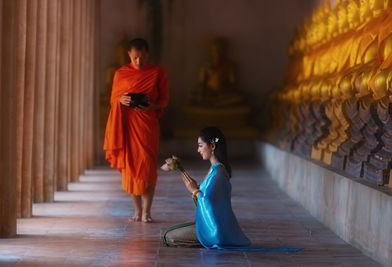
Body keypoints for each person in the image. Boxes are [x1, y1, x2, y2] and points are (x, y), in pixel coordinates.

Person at [163, 127, 303, 252]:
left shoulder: (218, 172)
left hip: (216, 231)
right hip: (213, 225)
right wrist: (194, 188)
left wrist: (195, 191)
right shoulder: (216, 170)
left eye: (200, 145)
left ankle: (208, 241)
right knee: (174, 233)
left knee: (169, 237)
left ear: (212, 146)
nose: (198, 150)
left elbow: (209, 204)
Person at [104, 38, 169, 223]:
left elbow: (164, 100)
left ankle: (147, 211)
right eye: (135, 58)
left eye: (141, 57)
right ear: (129, 55)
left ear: (147, 54)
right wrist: (120, 101)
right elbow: (113, 99)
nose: (138, 61)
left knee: (147, 167)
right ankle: (137, 210)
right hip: (127, 125)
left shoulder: (157, 72)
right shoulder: (121, 73)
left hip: (147, 125)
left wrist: (151, 106)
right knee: (131, 167)